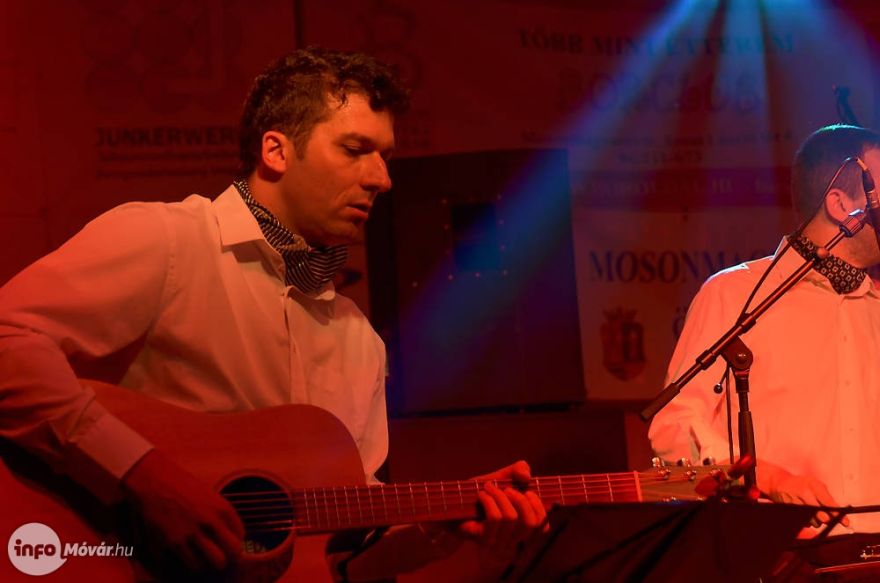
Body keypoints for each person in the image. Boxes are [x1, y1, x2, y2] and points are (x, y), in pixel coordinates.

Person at [0, 47, 546, 580]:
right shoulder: (167, 241)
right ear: (276, 151)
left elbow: (344, 558)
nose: (382, 179)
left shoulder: (359, 339)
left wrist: (436, 528)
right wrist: (144, 474)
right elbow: (7, 339)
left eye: (385, 156)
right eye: (356, 149)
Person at [649, 124, 880, 536]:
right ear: (841, 205)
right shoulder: (734, 295)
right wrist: (765, 477)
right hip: (779, 555)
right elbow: (673, 428)